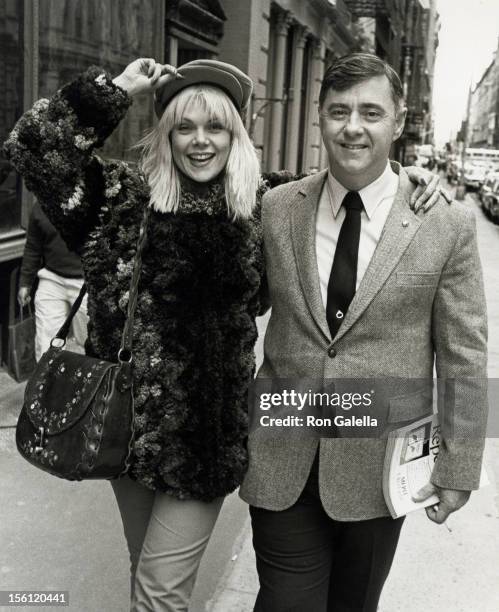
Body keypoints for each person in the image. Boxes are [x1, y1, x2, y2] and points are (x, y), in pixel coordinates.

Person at [4, 56, 440, 611]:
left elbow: (351, 185)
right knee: (149, 580)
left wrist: (406, 179)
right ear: (165, 134)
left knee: (160, 596)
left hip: (203, 445)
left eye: (216, 126)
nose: (200, 141)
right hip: (121, 433)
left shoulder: (267, 205)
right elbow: (33, 148)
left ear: (238, 133)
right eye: (185, 126)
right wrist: (116, 90)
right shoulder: (119, 199)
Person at [239, 53, 488, 612]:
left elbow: (463, 355)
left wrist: (459, 467)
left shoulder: (443, 223)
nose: (353, 126)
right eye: (339, 111)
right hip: (283, 451)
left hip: (381, 468)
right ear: (320, 119)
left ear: (397, 122)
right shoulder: (278, 208)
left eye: (371, 113)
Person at [17, 201, 87, 360]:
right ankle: (46, 381)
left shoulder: (88, 200)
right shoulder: (41, 207)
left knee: (90, 340)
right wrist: (25, 283)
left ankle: (94, 380)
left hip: (85, 282)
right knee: (46, 341)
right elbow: (33, 247)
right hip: (52, 278)